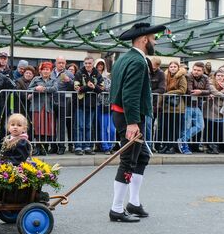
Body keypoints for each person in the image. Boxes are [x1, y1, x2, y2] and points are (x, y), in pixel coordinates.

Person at [108, 23, 164, 223]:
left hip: (125, 115)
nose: (155, 41)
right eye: (153, 38)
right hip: (129, 117)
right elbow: (129, 94)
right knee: (128, 161)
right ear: (144, 40)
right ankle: (116, 209)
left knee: (142, 157)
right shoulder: (138, 62)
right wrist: (133, 123)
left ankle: (133, 202)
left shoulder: (124, 58)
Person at [73, 56, 102, 155]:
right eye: (86, 63)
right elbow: (76, 87)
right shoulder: (79, 73)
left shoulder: (97, 74)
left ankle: (88, 147)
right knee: (79, 126)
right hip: (80, 104)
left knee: (89, 126)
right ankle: (78, 146)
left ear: (93, 64)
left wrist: (94, 87)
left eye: (89, 63)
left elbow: (102, 88)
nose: (87, 65)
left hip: (92, 104)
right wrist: (87, 87)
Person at [158, 61, 187, 154]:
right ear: (168, 68)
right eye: (171, 66)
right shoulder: (165, 76)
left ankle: (172, 147)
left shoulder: (181, 77)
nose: (173, 68)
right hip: (166, 107)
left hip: (177, 107)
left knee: (175, 129)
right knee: (166, 128)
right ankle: (166, 146)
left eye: (175, 66)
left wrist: (168, 93)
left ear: (178, 68)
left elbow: (183, 90)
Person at [29, 62, 57, 156]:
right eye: (44, 69)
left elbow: (55, 89)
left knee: (47, 128)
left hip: (48, 107)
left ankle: (45, 147)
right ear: (41, 71)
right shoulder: (36, 79)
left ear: (50, 71)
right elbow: (29, 89)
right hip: (37, 107)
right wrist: (36, 88)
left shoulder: (53, 80)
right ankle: (38, 147)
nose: (45, 71)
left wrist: (44, 89)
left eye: (47, 69)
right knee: (37, 127)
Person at [204, 69, 224, 154]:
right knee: (211, 130)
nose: (220, 77)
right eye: (218, 75)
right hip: (212, 109)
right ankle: (211, 147)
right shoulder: (210, 83)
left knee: (221, 130)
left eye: (222, 76)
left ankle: (220, 147)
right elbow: (215, 92)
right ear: (215, 76)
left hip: (222, 110)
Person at [51, 56, 74, 154]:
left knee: (61, 126)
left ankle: (61, 146)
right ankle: (53, 146)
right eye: (59, 62)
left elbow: (75, 87)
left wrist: (69, 81)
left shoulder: (69, 73)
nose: (61, 64)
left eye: (63, 63)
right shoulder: (50, 73)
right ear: (55, 63)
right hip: (50, 102)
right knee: (51, 125)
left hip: (63, 103)